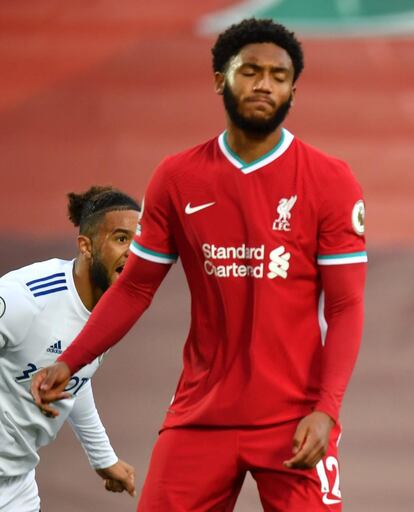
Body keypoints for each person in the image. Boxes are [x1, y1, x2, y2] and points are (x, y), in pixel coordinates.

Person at [31, 18, 366, 512]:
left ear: (294, 88)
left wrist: (327, 412)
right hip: (202, 415)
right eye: (249, 71)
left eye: (278, 75)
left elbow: (345, 306)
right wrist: (71, 359)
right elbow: (135, 288)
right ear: (219, 80)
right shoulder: (178, 176)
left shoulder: (330, 179)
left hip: (295, 420)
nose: (264, 84)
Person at [0, 186, 137, 510]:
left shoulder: (108, 312)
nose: (133, 252)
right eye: (121, 239)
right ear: (86, 246)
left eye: (139, 242)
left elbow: (76, 378)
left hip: (16, 483)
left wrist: (103, 458)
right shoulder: (25, 299)